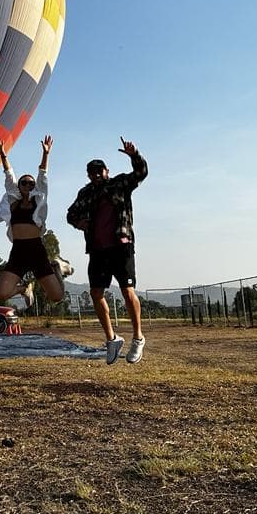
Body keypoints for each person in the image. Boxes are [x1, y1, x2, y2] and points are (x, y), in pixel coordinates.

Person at [67, 138, 148, 365]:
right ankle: (112, 339)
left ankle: (138, 337)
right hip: (97, 250)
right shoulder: (86, 193)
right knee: (96, 293)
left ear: (107, 171)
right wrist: (79, 223)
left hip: (121, 245)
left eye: (99, 171)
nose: (95, 175)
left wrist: (134, 155)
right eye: (91, 172)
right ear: (88, 175)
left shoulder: (120, 183)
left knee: (127, 291)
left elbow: (141, 173)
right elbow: (70, 214)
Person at [0, 134, 65, 307]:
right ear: (19, 187)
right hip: (18, 251)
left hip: (36, 250)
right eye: (24, 183)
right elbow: (9, 176)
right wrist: (3, 156)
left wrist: (46, 154)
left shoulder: (39, 200)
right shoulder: (13, 203)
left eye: (30, 183)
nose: (27, 185)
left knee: (57, 297)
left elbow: (42, 176)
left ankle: (56, 269)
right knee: (2, 294)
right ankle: (24, 289)